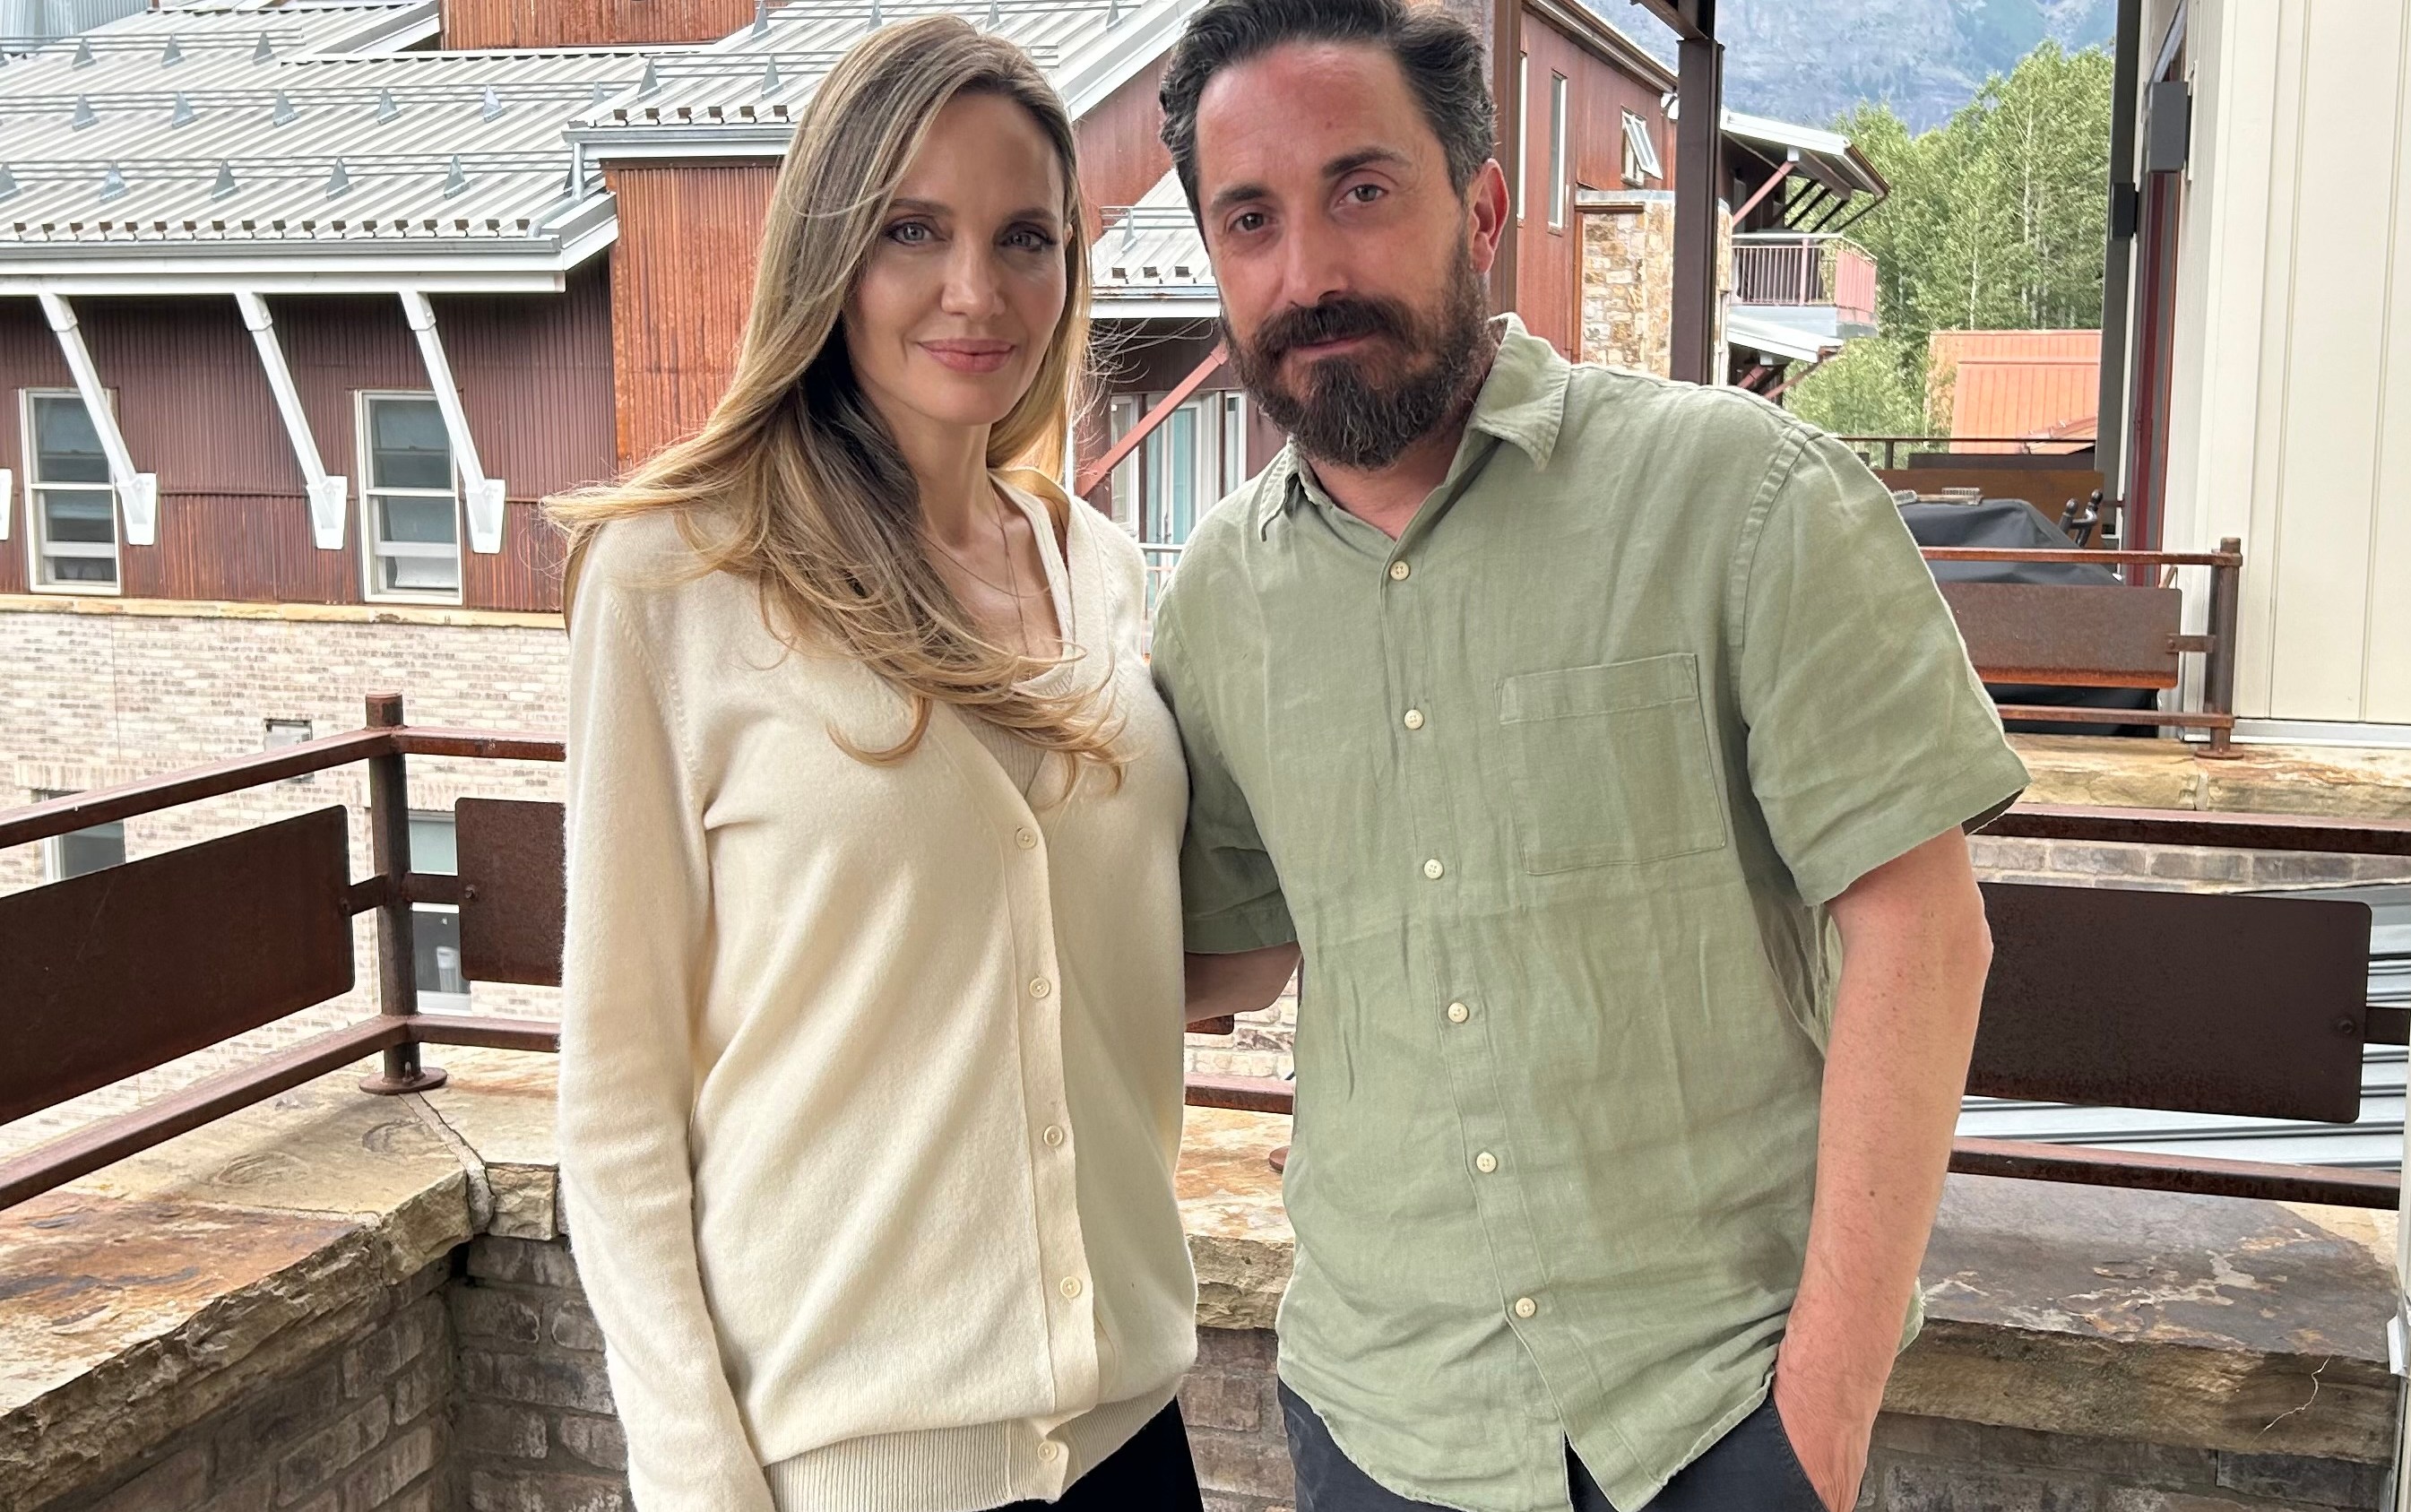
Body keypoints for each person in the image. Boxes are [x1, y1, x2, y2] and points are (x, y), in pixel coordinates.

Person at [1149, 1, 2031, 1509]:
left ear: (1480, 206)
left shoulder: (1742, 499)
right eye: (1252, 220)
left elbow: (1922, 934)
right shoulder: (1218, 603)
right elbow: (1224, 961)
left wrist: (1815, 1418)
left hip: (1709, 1414)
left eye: (1363, 191)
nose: (1310, 272)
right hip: (1379, 1423)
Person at [550, 18, 1204, 1512]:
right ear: (829, 249)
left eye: (1025, 237)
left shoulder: (1101, 570)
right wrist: (698, 1483)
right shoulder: (677, 578)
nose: (977, 289)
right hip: (845, 1472)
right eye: (915, 230)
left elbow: (1125, 953)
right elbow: (618, 1095)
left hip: (1128, 1439)